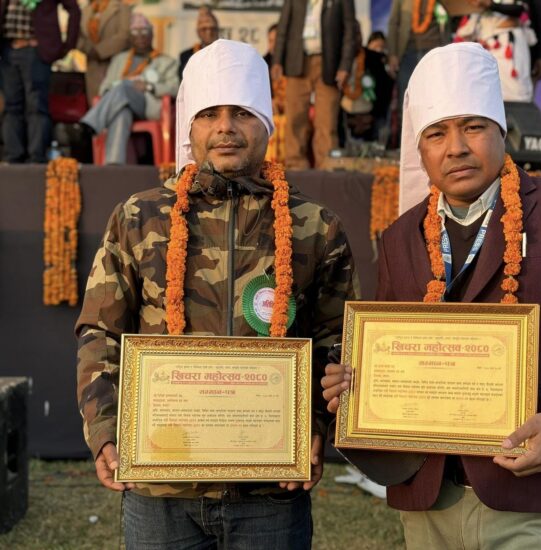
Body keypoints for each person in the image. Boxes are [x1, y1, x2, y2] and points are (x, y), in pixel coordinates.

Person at [322, 42, 541, 549]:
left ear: (502, 131)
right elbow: (392, 351)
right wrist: (353, 382)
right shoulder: (400, 237)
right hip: (428, 501)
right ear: (420, 150)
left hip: (532, 497)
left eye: (472, 127)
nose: (455, 147)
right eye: (436, 133)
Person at [76, 38, 359, 548]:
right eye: (209, 114)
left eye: (241, 113)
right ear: (191, 127)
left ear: (267, 124)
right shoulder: (138, 217)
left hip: (270, 491)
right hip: (160, 488)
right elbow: (100, 331)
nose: (225, 127)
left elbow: (336, 340)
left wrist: (316, 427)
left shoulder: (316, 227)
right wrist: (104, 429)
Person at [80, 13, 178, 165]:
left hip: (147, 104)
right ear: (130, 37)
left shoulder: (166, 61)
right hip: (119, 103)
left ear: (151, 35)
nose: (140, 36)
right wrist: (117, 88)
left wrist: (149, 86)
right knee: (121, 111)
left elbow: (175, 88)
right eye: (135, 32)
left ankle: (91, 123)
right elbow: (104, 87)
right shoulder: (120, 59)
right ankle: (114, 166)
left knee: (124, 87)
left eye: (144, 32)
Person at [271, 0, 357, 169]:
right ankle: (295, 165)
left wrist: (345, 66)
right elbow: (283, 27)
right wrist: (277, 60)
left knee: (327, 120)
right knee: (295, 117)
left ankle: (326, 166)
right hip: (297, 61)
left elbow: (350, 32)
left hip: (328, 64)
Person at [0, 0, 80, 163]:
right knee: (11, 107)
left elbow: (74, 9)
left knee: (36, 106)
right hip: (7, 49)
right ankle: (13, 157)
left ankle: (36, 158)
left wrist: (68, 45)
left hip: (36, 51)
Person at [387, 0, 449, 143]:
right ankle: (407, 145)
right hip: (408, 53)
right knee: (407, 102)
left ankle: (435, 143)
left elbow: (452, 18)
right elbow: (393, 23)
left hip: (435, 53)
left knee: (435, 102)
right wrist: (392, 54)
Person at [454, 0, 537, 101]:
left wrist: (490, 5)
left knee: (515, 93)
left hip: (509, 47)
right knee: (489, 94)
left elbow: (521, 10)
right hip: (486, 47)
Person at [78, 0, 132, 104]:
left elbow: (124, 36)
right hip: (92, 66)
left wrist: (99, 51)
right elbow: (79, 37)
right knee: (95, 105)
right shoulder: (86, 10)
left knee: (114, 104)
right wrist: (88, 49)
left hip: (115, 64)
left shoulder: (122, 9)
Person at [178, 5, 219, 80]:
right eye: (204, 29)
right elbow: (183, 80)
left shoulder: (227, 52)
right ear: (198, 32)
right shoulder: (186, 55)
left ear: (217, 30)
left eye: (212, 28)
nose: (209, 32)